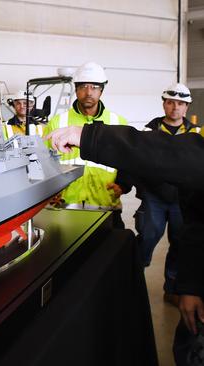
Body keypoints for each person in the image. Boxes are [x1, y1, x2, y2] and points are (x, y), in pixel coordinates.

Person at [46, 123, 204, 366]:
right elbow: (198, 218)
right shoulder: (156, 127)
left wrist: (91, 137)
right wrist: (191, 285)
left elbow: (180, 156)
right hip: (81, 207)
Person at [135, 83, 200, 307]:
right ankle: (134, 280)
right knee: (147, 237)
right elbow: (133, 160)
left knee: (180, 243)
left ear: (187, 107)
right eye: (171, 102)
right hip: (153, 196)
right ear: (164, 104)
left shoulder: (196, 135)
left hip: (182, 200)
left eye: (180, 103)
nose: (175, 108)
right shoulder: (148, 131)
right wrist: (127, 185)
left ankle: (171, 288)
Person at [43, 61, 129, 228]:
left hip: (105, 203)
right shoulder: (58, 122)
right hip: (66, 205)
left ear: (101, 90)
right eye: (83, 86)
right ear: (76, 89)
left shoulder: (117, 122)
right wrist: (49, 191)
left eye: (94, 87)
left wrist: (123, 185)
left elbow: (127, 161)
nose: (89, 92)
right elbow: (46, 163)